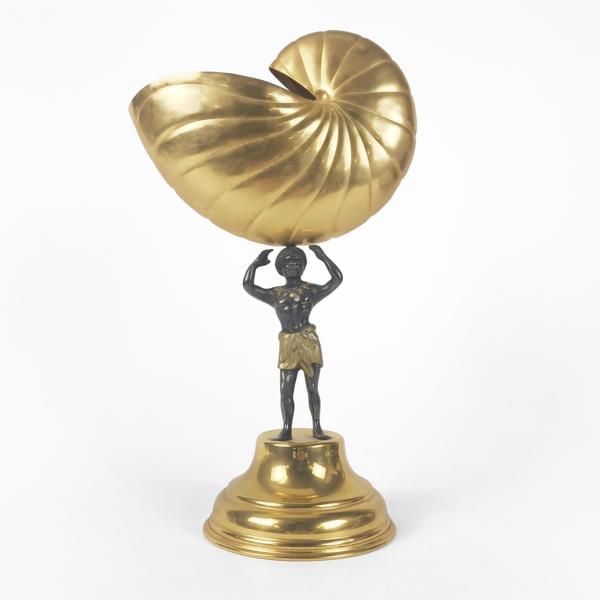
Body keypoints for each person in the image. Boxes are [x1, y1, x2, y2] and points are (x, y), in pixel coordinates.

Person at [243, 245, 343, 440]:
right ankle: (286, 428)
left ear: (304, 266)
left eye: (297, 262)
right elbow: (248, 286)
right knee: (285, 390)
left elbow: (336, 280)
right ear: (280, 268)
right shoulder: (275, 294)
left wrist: (322, 257)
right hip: (288, 344)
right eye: (288, 263)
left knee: (312, 388)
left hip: (308, 342)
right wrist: (256, 264)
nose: (293, 266)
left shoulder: (310, 291)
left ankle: (317, 427)